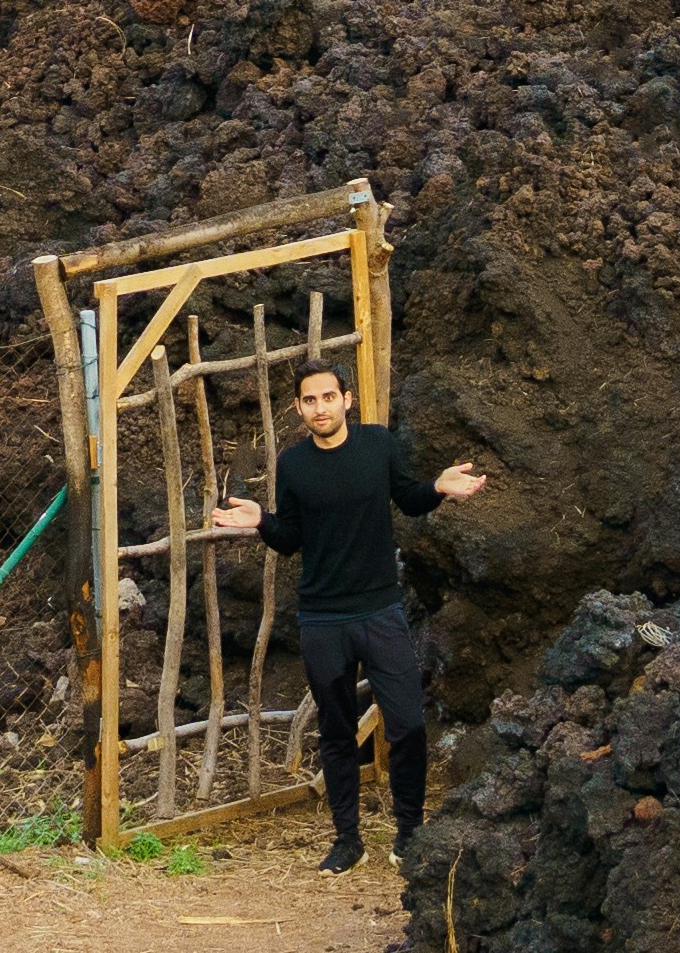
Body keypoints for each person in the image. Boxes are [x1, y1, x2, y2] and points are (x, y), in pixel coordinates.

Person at [209, 365, 489, 873]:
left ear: (347, 400)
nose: (320, 407)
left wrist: (439, 487)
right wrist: (262, 522)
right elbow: (291, 537)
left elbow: (407, 498)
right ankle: (347, 841)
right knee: (336, 734)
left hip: (380, 611)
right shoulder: (293, 465)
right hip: (322, 620)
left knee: (406, 724)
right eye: (310, 401)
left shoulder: (377, 444)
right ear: (299, 409)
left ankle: (410, 833)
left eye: (329, 397)